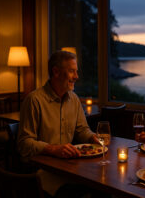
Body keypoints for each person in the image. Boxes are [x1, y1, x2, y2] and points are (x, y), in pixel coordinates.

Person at [17, 50, 101, 197]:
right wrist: (53, 149)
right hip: (41, 171)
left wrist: (93, 137)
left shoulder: (74, 99)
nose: (76, 77)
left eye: (76, 71)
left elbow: (82, 129)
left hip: (67, 167)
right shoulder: (34, 100)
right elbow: (24, 144)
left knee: (101, 186)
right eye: (71, 71)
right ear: (56, 72)